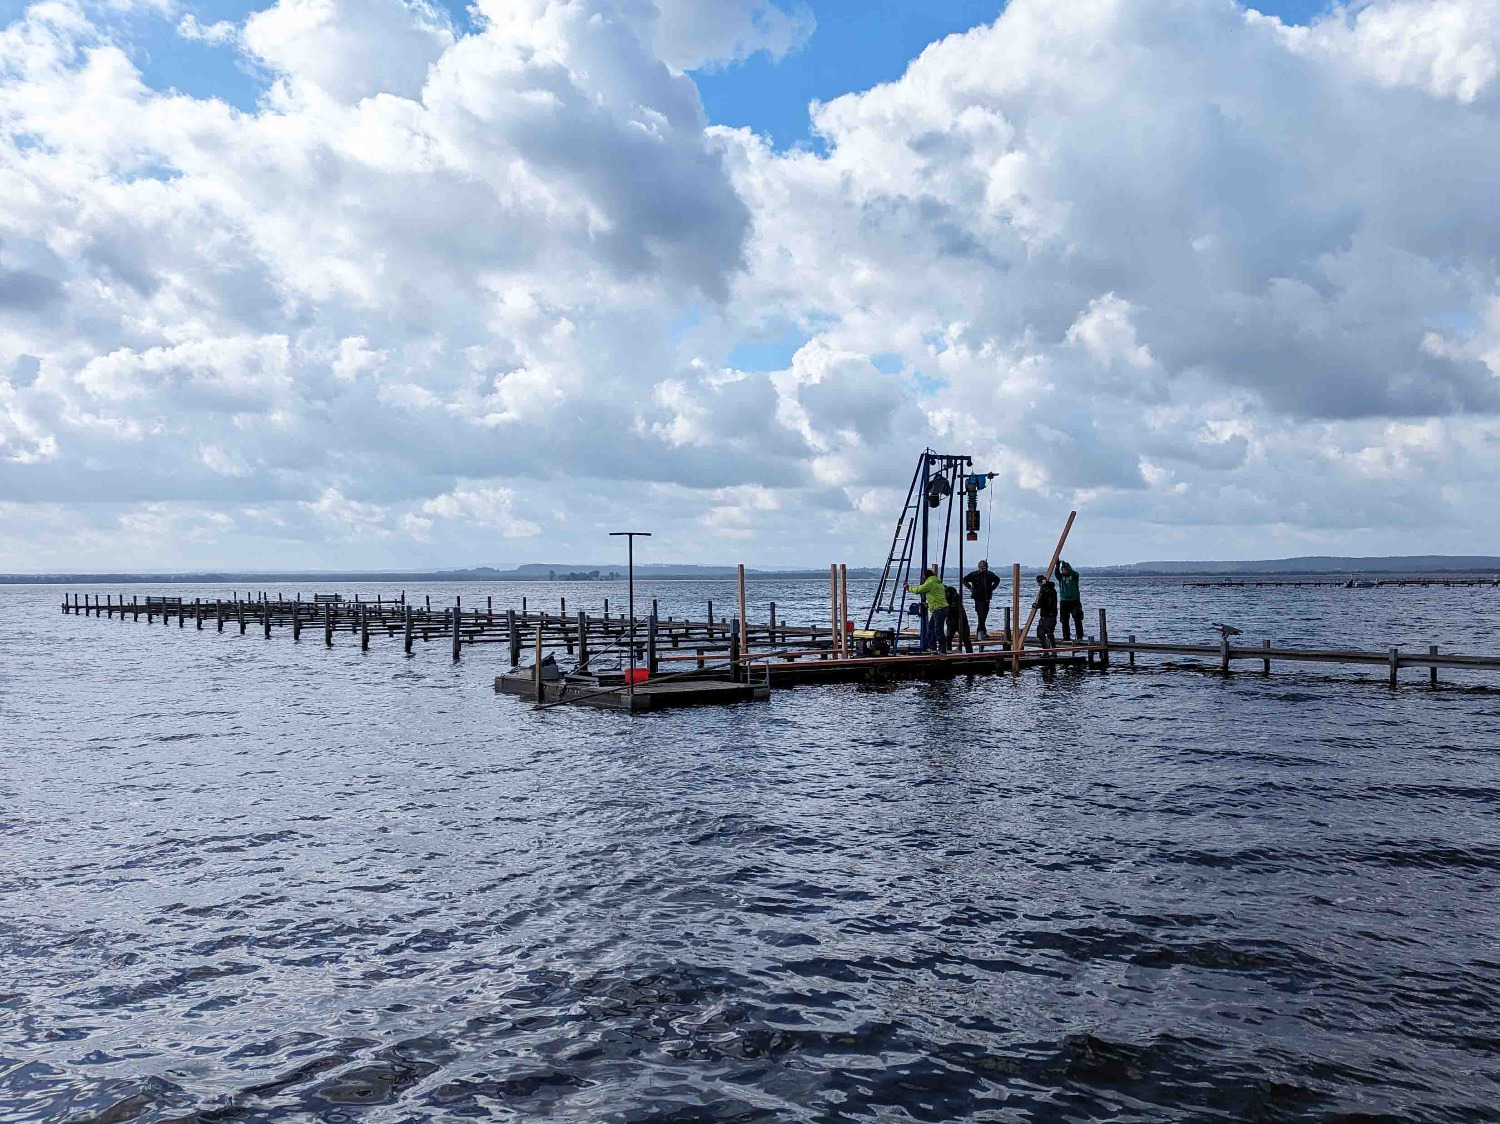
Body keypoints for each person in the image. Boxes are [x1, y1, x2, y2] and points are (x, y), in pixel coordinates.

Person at [907, 566, 949, 653]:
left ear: (925, 576)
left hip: (939, 609)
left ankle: (942, 650)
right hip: (940, 608)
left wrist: (908, 588)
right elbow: (935, 596)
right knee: (930, 629)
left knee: (938, 630)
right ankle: (933, 647)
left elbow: (919, 589)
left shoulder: (930, 582)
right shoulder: (938, 582)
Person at [962, 560, 1001, 638]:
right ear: (978, 567)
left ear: (987, 567)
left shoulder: (990, 574)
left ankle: (981, 631)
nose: (982, 568)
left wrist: (992, 588)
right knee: (980, 614)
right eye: (981, 567)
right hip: (977, 597)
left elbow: (997, 580)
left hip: (987, 597)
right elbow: (964, 580)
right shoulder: (974, 574)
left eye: (984, 567)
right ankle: (981, 632)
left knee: (984, 614)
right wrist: (970, 588)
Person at [1056, 559, 1083, 643]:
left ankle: (1079, 637)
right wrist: (1057, 565)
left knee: (1077, 618)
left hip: (1074, 600)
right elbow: (1056, 573)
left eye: (1065, 569)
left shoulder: (1074, 575)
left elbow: (1074, 573)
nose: (1064, 570)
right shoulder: (1061, 577)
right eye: (1063, 569)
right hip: (1064, 601)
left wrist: (1067, 566)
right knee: (1064, 620)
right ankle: (1066, 636)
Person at [944, 583, 972, 652]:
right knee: (948, 638)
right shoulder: (944, 598)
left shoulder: (955, 597)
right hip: (951, 621)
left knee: (965, 639)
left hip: (961, 620)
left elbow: (955, 607)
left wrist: (945, 607)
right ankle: (948, 652)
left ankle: (970, 654)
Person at [1034, 573, 1058, 652]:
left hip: (1047, 615)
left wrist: (1037, 605)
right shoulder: (1051, 589)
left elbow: (1044, 603)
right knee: (1049, 633)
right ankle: (1052, 651)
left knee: (1041, 633)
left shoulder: (1045, 590)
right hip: (1051, 615)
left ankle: (1047, 651)